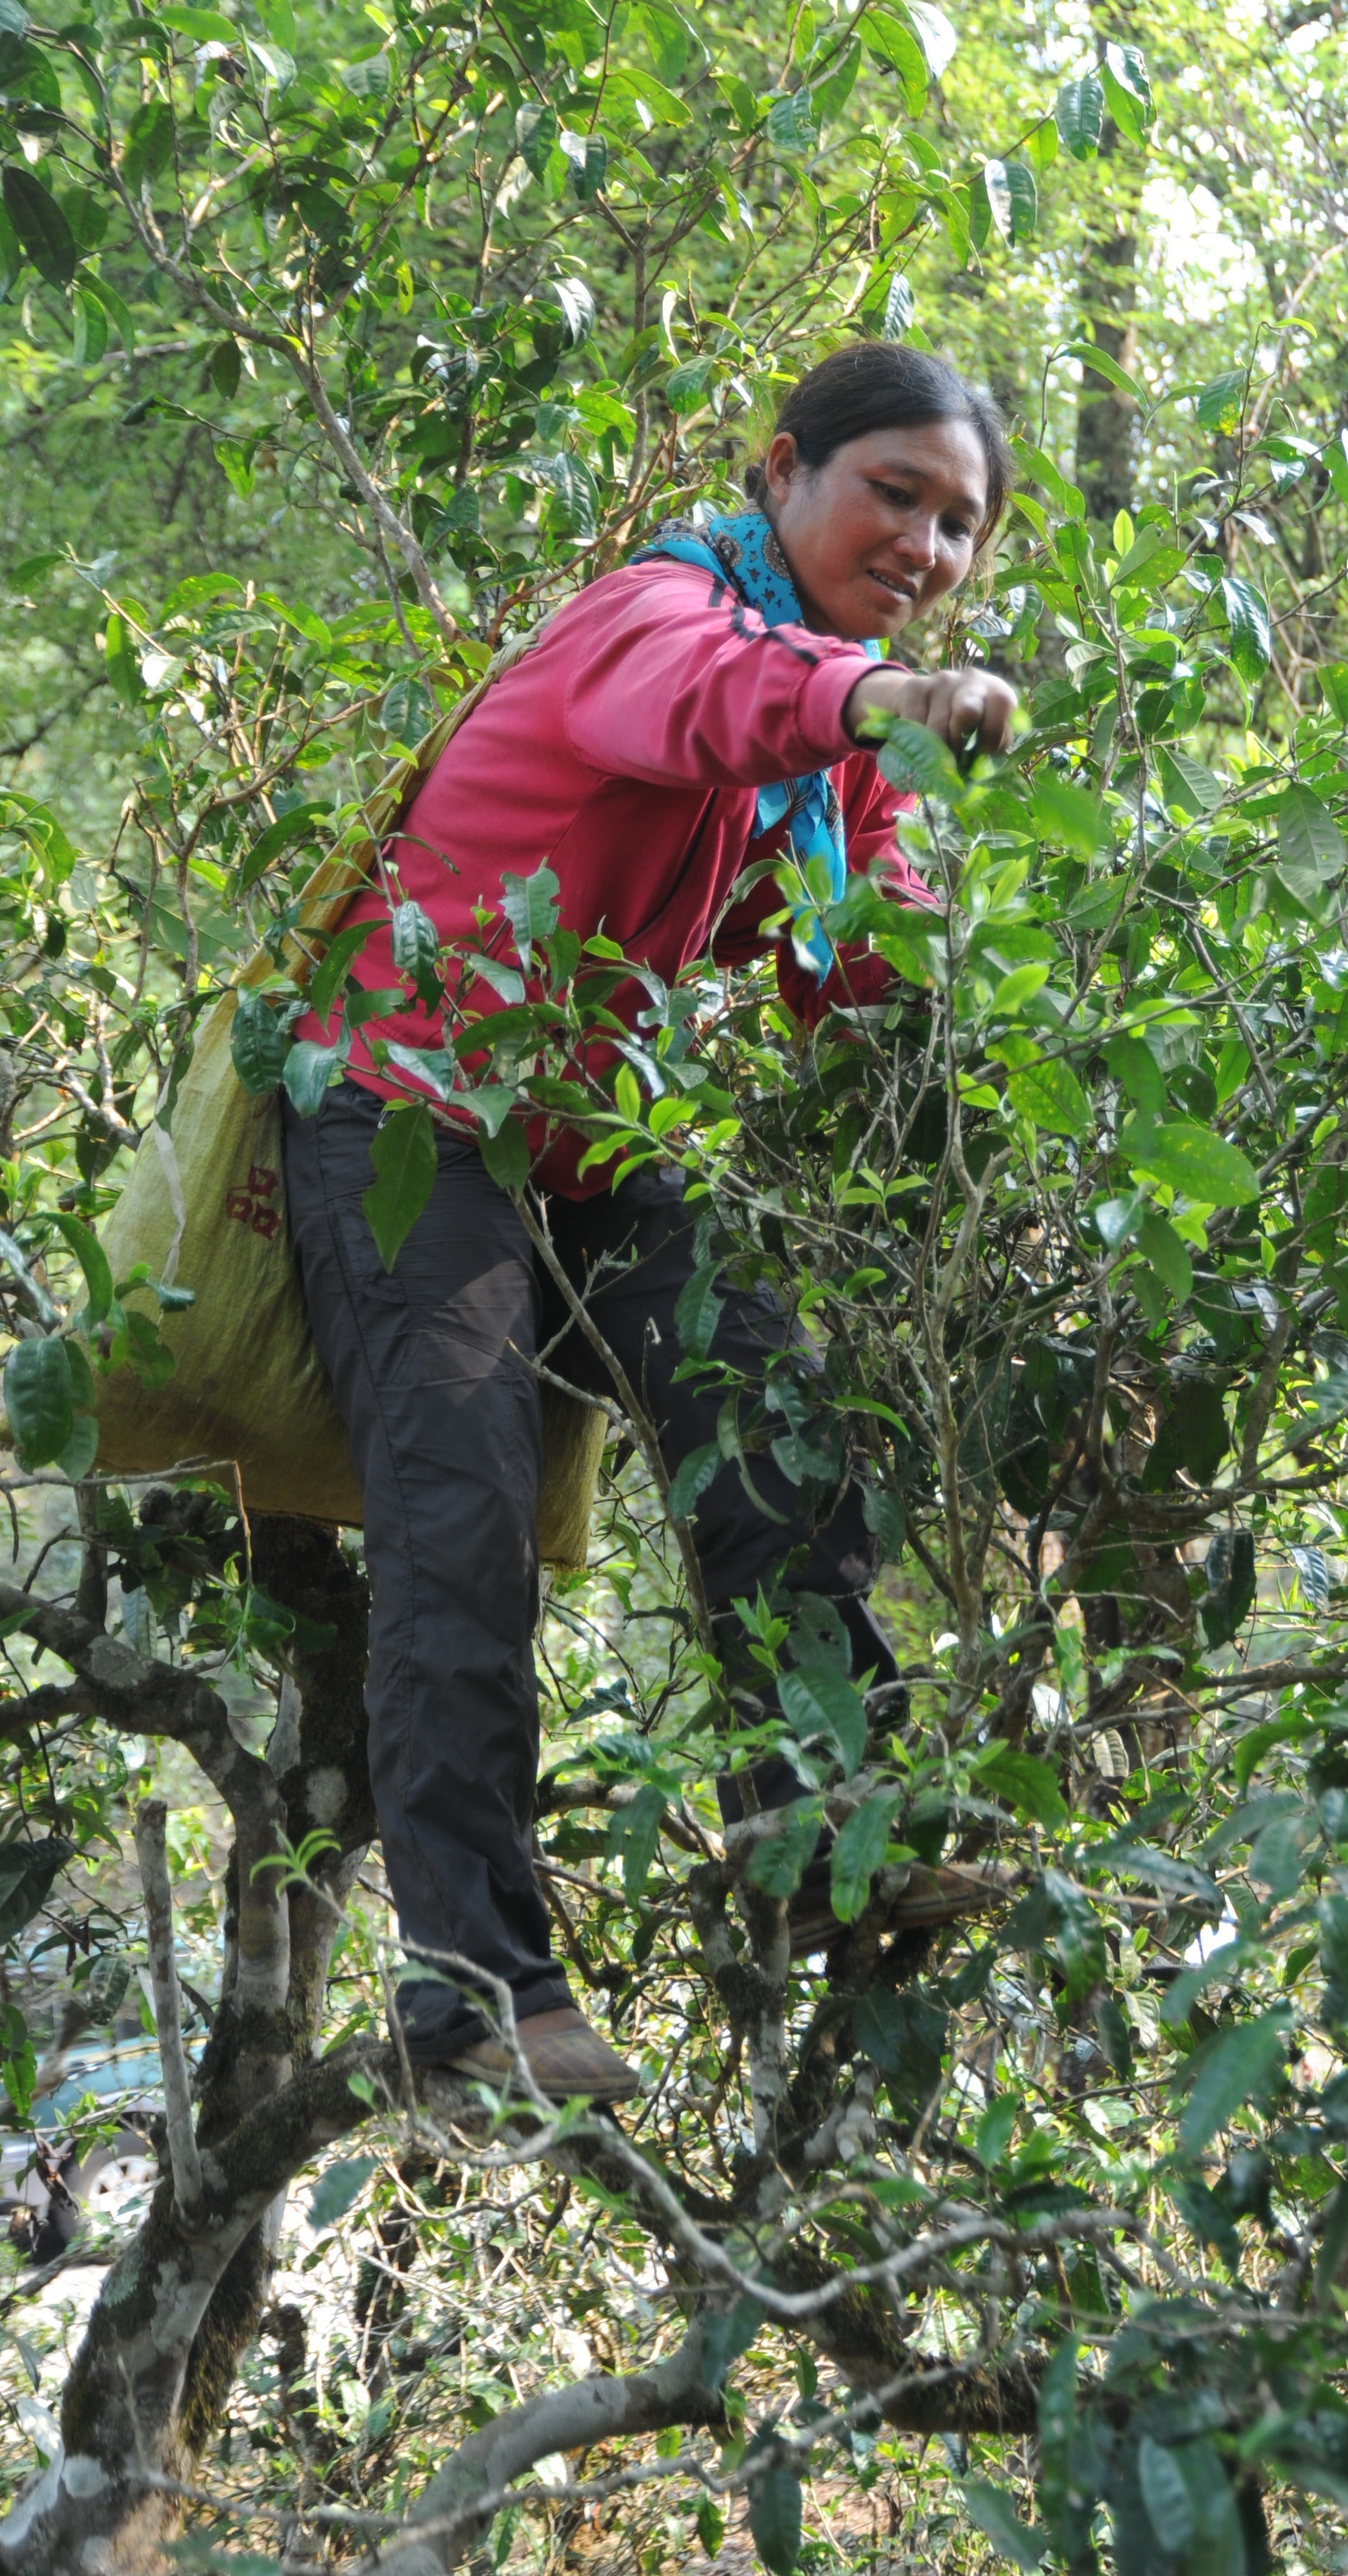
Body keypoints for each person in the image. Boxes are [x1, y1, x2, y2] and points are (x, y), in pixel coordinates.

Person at [282, 342, 1020, 2106]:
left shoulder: (839, 754)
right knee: (457, 1516)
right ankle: (475, 1999)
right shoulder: (659, 615)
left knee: (772, 1416)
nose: (924, 543)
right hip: (411, 1102)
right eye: (891, 495)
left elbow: (860, 970)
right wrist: (877, 701)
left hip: (595, 1129)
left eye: (960, 523)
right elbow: (713, 702)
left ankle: (830, 1854)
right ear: (783, 474)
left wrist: (1008, 1148)